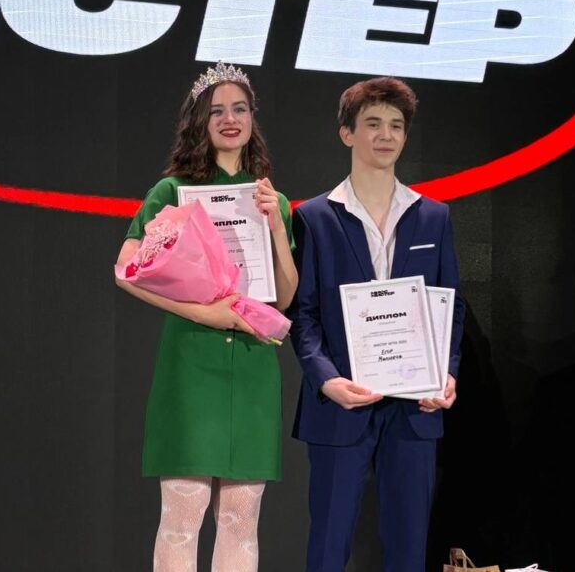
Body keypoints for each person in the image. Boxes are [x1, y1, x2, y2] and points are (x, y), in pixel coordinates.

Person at [114, 61, 298, 572]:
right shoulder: (172, 192)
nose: (230, 119)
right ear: (200, 121)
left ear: (253, 118)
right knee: (182, 516)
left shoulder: (273, 200)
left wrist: (275, 226)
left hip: (253, 367)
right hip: (191, 365)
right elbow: (126, 270)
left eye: (239, 109)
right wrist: (206, 313)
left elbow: (284, 298)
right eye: (217, 111)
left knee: (241, 520)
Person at [287, 76, 466, 572]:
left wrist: (446, 373)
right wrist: (327, 380)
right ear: (347, 133)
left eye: (396, 125)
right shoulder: (315, 217)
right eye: (372, 123)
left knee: (409, 546)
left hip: (415, 406)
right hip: (341, 401)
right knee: (328, 546)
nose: (386, 135)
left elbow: (450, 306)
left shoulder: (434, 217)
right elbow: (302, 315)